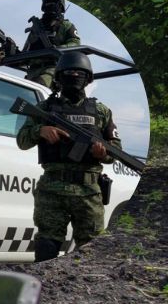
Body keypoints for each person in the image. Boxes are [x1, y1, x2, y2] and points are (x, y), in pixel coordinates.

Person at [16, 51, 119, 262]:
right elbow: (22, 141)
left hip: (88, 191)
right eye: (69, 72)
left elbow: (115, 149)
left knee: (90, 252)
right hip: (52, 190)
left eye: (79, 73)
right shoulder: (44, 108)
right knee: (46, 246)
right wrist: (40, 130)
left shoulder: (101, 111)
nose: (74, 76)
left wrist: (103, 154)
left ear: (88, 79)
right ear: (58, 77)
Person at [22, 0, 80, 88]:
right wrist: (11, 50)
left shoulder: (66, 26)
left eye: (53, 4)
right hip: (32, 71)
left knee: (36, 86)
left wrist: (57, 49)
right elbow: (25, 52)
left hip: (52, 69)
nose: (49, 6)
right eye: (47, 3)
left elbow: (75, 44)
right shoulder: (36, 27)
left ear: (60, 6)